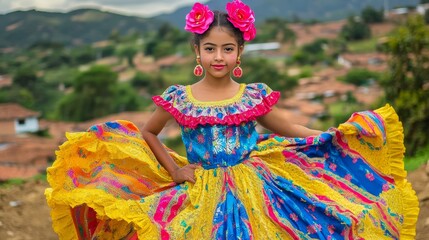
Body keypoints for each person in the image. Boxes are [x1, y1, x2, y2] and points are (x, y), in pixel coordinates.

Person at [45, 1, 419, 239]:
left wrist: (330, 136)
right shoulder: (179, 97)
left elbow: (287, 128)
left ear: (240, 51)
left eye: (227, 48)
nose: (218, 57)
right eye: (210, 49)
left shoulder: (252, 95)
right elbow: (148, 131)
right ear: (197, 50)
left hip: (254, 184)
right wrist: (175, 171)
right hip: (200, 188)